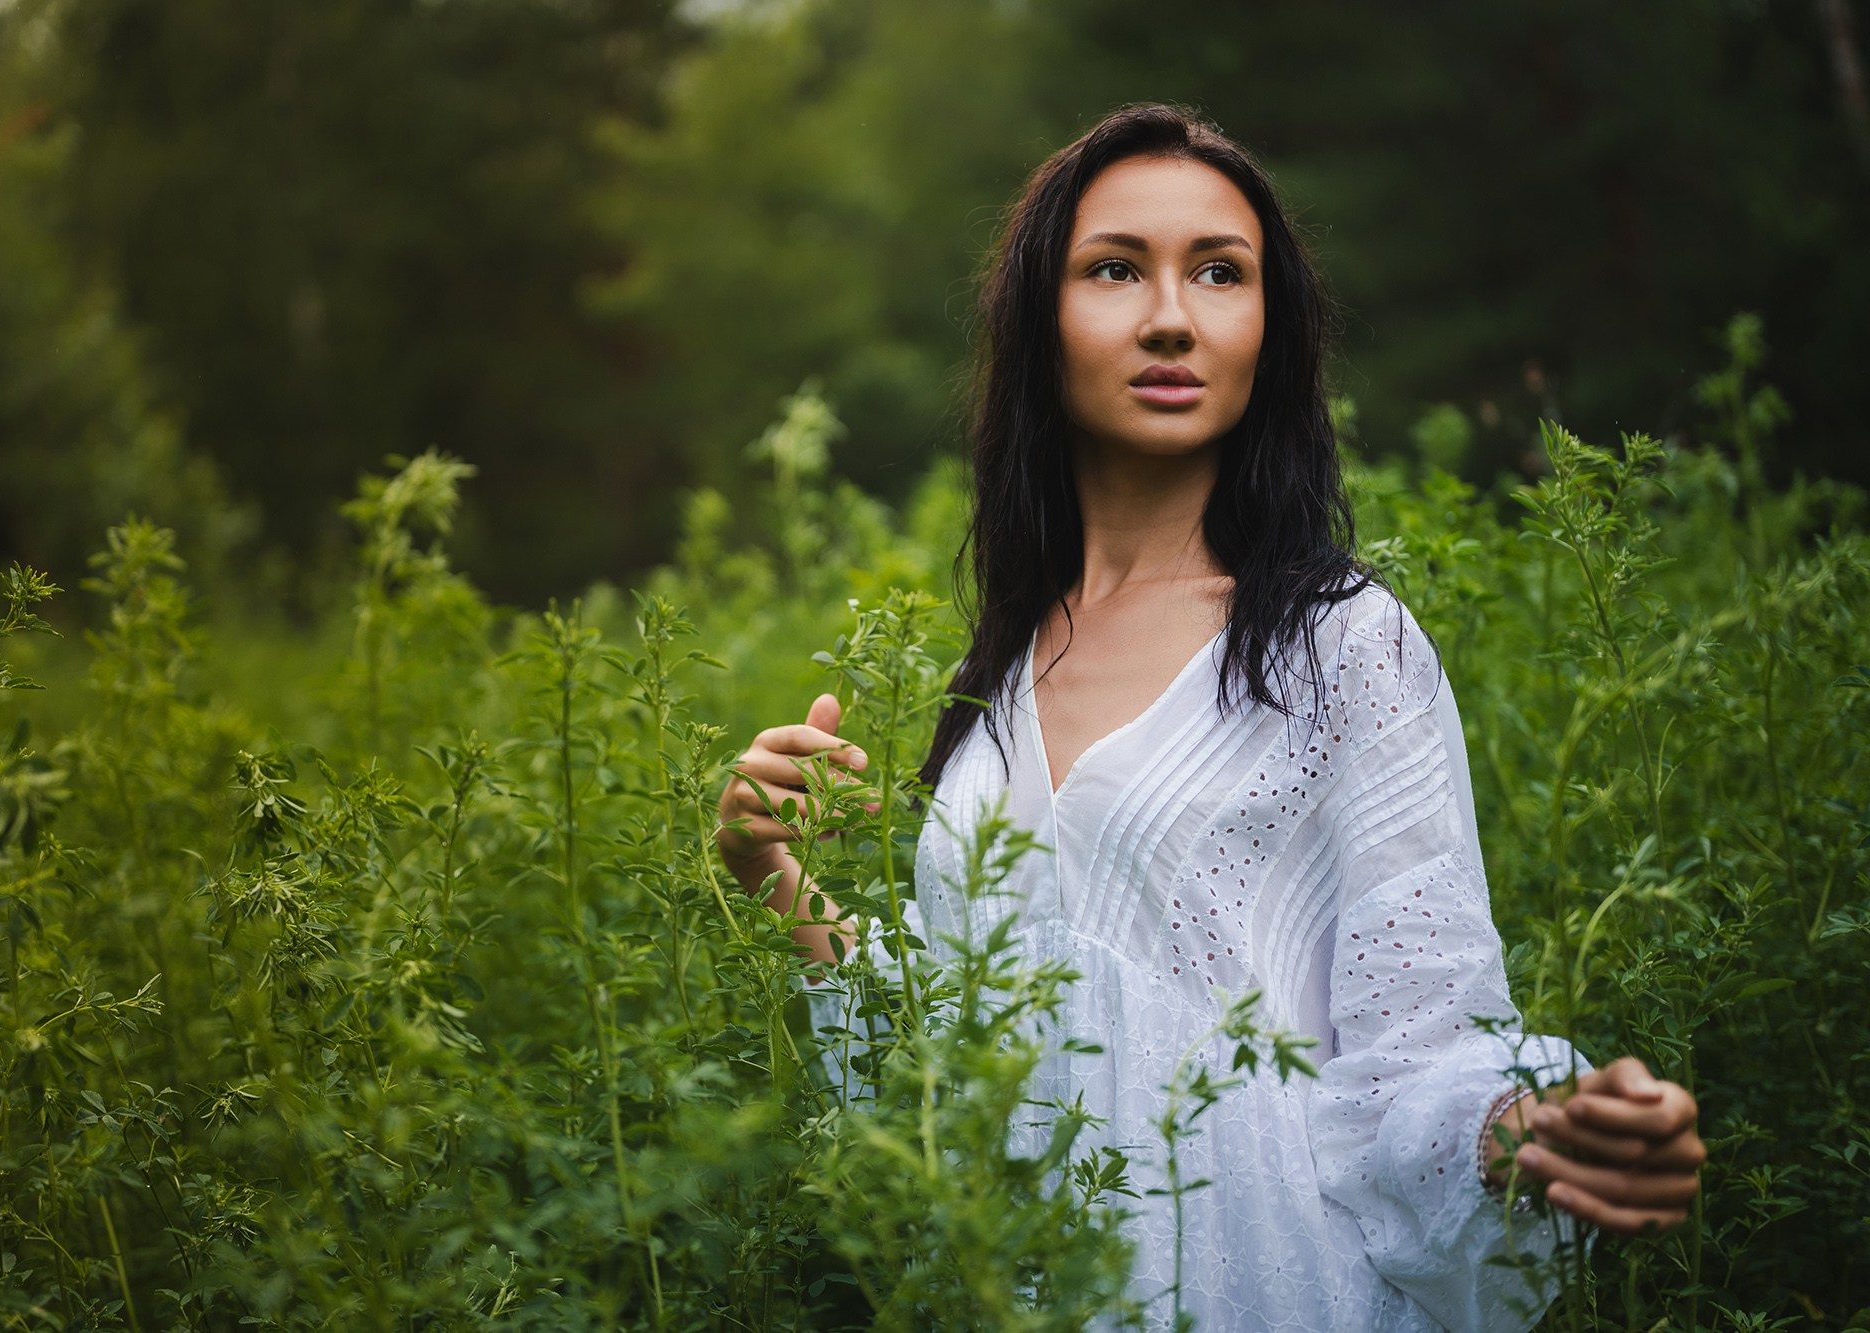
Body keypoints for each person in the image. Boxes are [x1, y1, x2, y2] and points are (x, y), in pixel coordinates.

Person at [715, 104, 1704, 1331]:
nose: (1170, 315)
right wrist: (771, 872)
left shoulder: (1337, 642)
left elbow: (1421, 1051)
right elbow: (940, 1074)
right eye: (1114, 268)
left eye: (1219, 273)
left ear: (1264, 329)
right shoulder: (1001, 668)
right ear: (1038, 319)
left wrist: (1548, 1130)